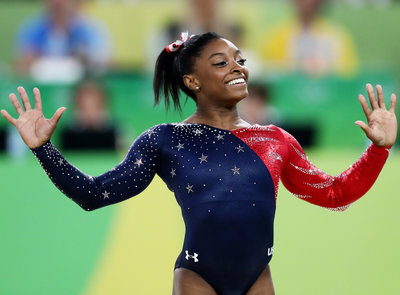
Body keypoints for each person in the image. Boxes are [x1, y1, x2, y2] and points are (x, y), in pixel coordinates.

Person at [1, 32, 397, 295]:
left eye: (239, 60)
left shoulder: (276, 141)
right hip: (197, 280)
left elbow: (335, 193)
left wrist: (377, 149)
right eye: (222, 62)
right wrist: (43, 149)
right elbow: (92, 193)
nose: (238, 67)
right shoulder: (165, 140)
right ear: (192, 81)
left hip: (259, 280)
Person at [259, 0, 359, 77]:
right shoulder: (278, 36)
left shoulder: (337, 36)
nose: (306, 2)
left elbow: (349, 74)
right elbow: (269, 74)